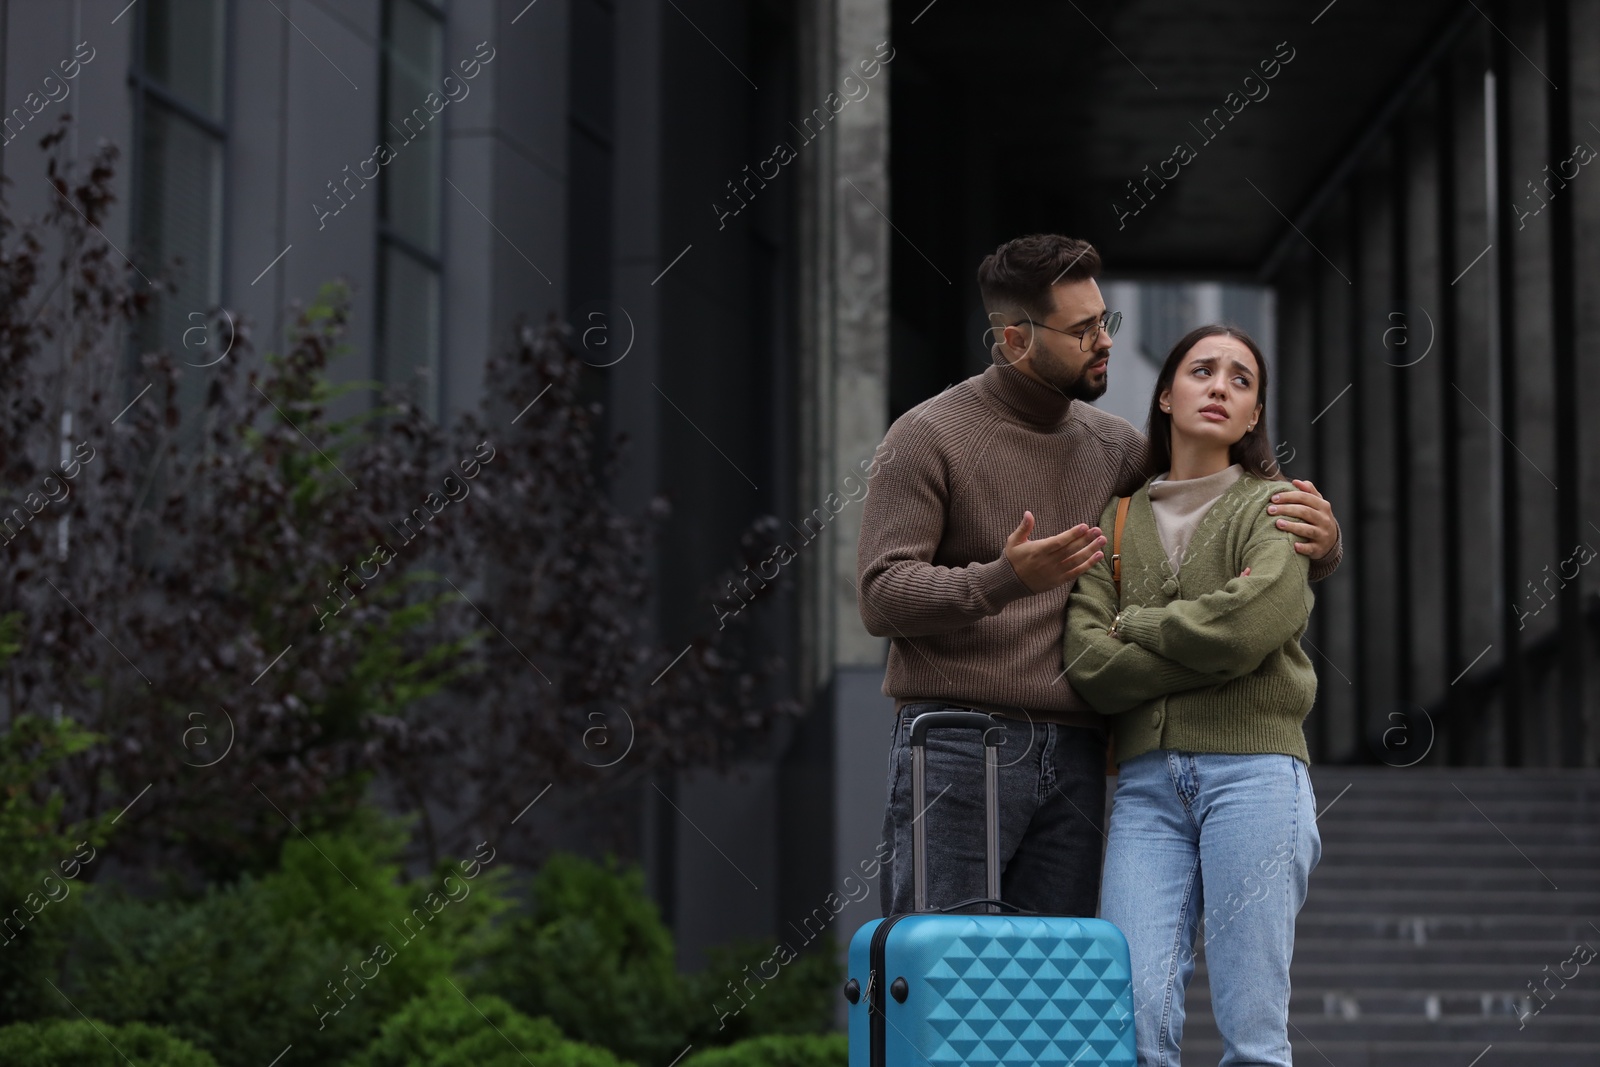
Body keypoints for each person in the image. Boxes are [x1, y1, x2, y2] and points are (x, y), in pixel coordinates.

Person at [857, 233, 1341, 919]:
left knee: (1055, 995)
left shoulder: (1117, 448)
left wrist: (1321, 544)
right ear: (1017, 341)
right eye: (1082, 330)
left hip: (1079, 755)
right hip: (959, 744)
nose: (1103, 340)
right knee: (944, 978)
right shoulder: (926, 436)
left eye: (1105, 322)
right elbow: (880, 597)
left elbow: (1207, 504)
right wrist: (1004, 578)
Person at [1064, 324, 1322, 1067]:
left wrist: (1137, 623)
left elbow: (1250, 627)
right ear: (1164, 392)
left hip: (1256, 777)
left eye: (1241, 380)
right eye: (1202, 370)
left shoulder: (1277, 509)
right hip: (1146, 788)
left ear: (1252, 416)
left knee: (1252, 1033)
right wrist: (1211, 651)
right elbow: (1088, 662)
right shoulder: (1114, 520)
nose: (1219, 386)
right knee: (1132, 1017)